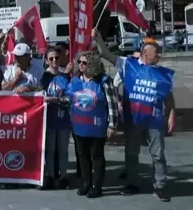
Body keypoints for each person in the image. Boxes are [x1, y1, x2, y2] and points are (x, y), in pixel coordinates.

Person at [93, 29, 176, 202]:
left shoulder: (161, 73)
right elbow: (105, 54)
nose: (159, 55)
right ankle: (131, 183)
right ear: (145, 52)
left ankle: (160, 186)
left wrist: (171, 114)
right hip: (134, 119)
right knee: (131, 153)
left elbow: (168, 96)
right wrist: (99, 39)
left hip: (154, 120)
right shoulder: (127, 64)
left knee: (158, 154)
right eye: (156, 53)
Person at [64, 51, 118, 198]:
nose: (81, 65)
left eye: (84, 63)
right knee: (82, 156)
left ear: (92, 64)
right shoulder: (75, 80)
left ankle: (97, 185)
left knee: (97, 156)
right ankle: (86, 182)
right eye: (79, 62)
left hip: (97, 126)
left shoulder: (104, 81)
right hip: (79, 126)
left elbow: (112, 103)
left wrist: (112, 125)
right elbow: (67, 99)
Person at [41, 48, 72, 190]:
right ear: (46, 60)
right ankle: (50, 175)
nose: (54, 61)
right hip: (48, 120)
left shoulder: (65, 76)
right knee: (50, 149)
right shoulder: (44, 77)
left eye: (56, 58)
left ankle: (63, 176)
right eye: (51, 58)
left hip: (64, 119)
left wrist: (56, 99)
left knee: (63, 149)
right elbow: (40, 96)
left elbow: (70, 96)